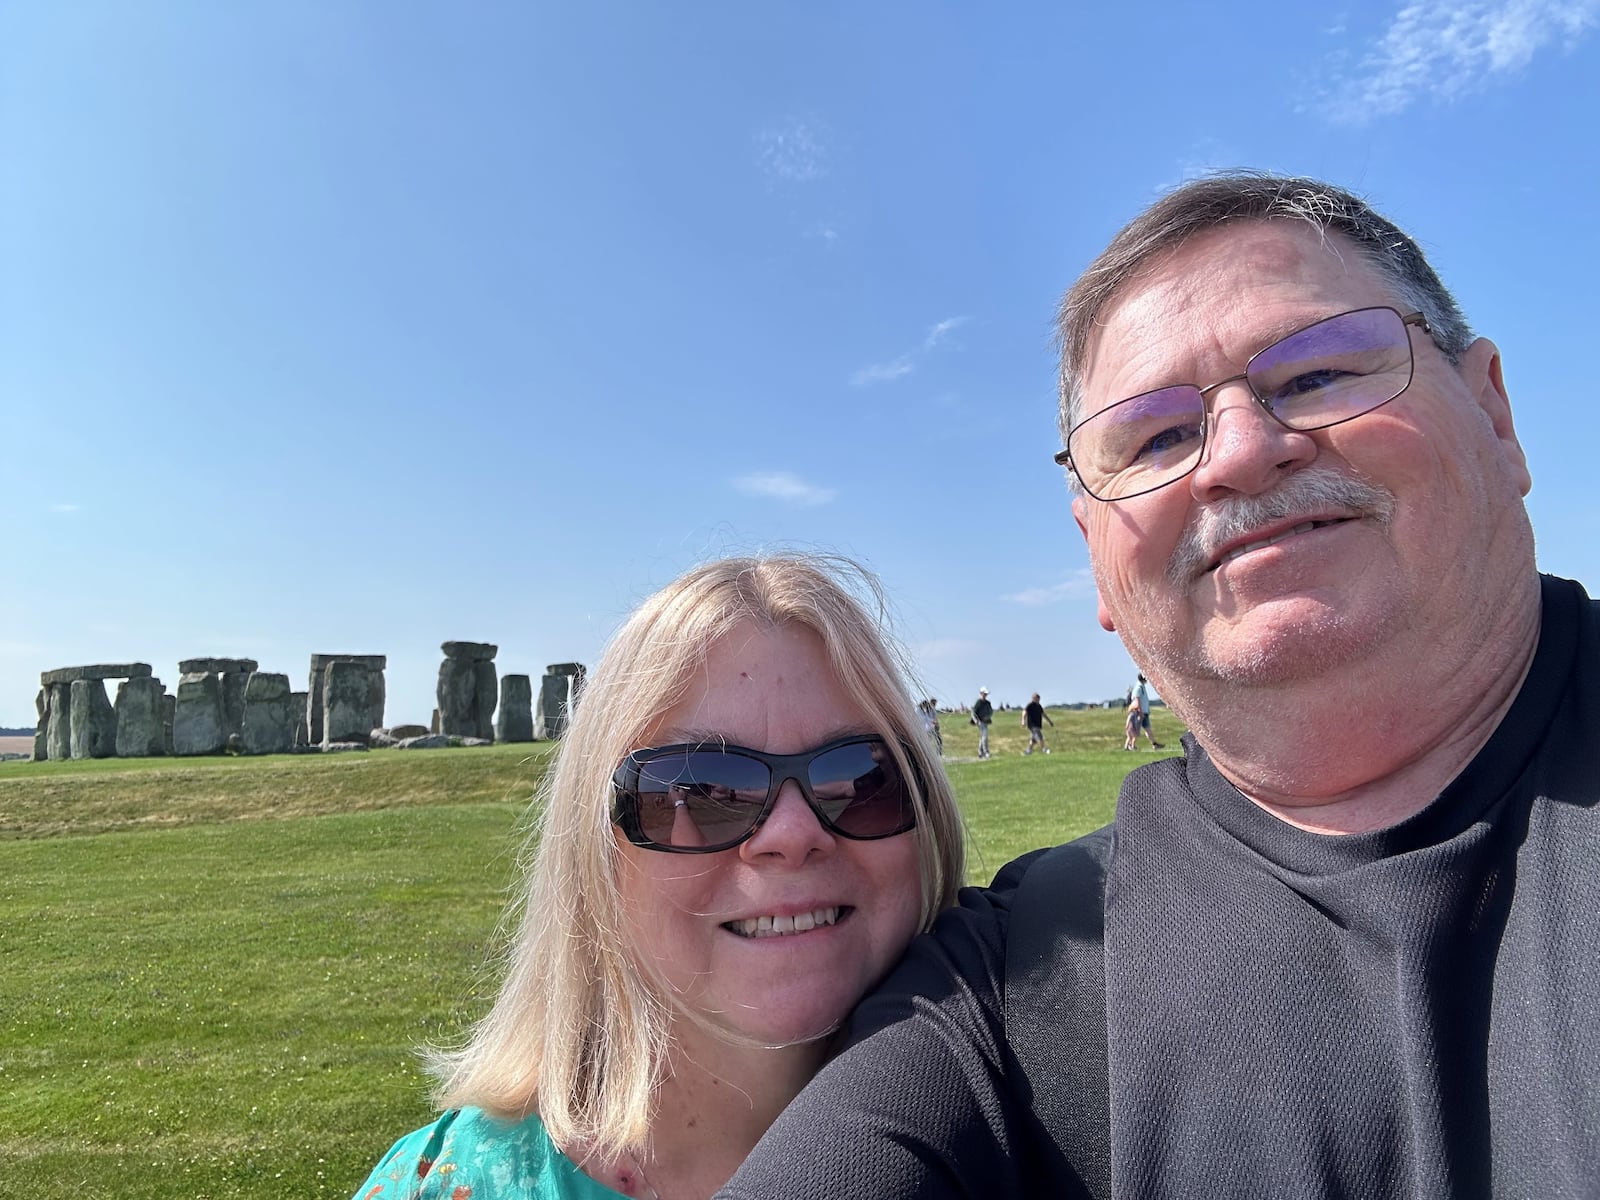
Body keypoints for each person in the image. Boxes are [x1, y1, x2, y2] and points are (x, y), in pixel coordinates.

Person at [722, 172, 1600, 1197]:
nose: (1236, 453)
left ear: (1493, 412)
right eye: (1154, 437)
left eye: (1316, 373)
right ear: (1094, 553)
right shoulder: (1011, 987)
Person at [353, 554, 965, 1199]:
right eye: (703, 788)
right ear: (594, 854)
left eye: (864, 780)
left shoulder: (1046, 1146)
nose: (791, 835)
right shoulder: (444, 1186)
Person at [1129, 673, 1163, 749]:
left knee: (1147, 728)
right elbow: (1137, 700)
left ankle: (1154, 743)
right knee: (1136, 729)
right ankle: (1131, 745)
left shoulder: (1142, 687)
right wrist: (1140, 712)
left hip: (1144, 712)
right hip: (1140, 712)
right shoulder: (1139, 688)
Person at [969, 687, 993, 759]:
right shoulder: (978, 702)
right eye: (984, 694)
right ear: (981, 694)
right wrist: (975, 720)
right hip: (980, 722)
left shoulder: (988, 703)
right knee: (984, 736)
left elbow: (991, 711)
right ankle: (986, 752)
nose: (985, 695)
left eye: (986, 694)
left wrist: (988, 716)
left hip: (985, 721)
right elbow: (973, 712)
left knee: (983, 737)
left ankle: (980, 752)